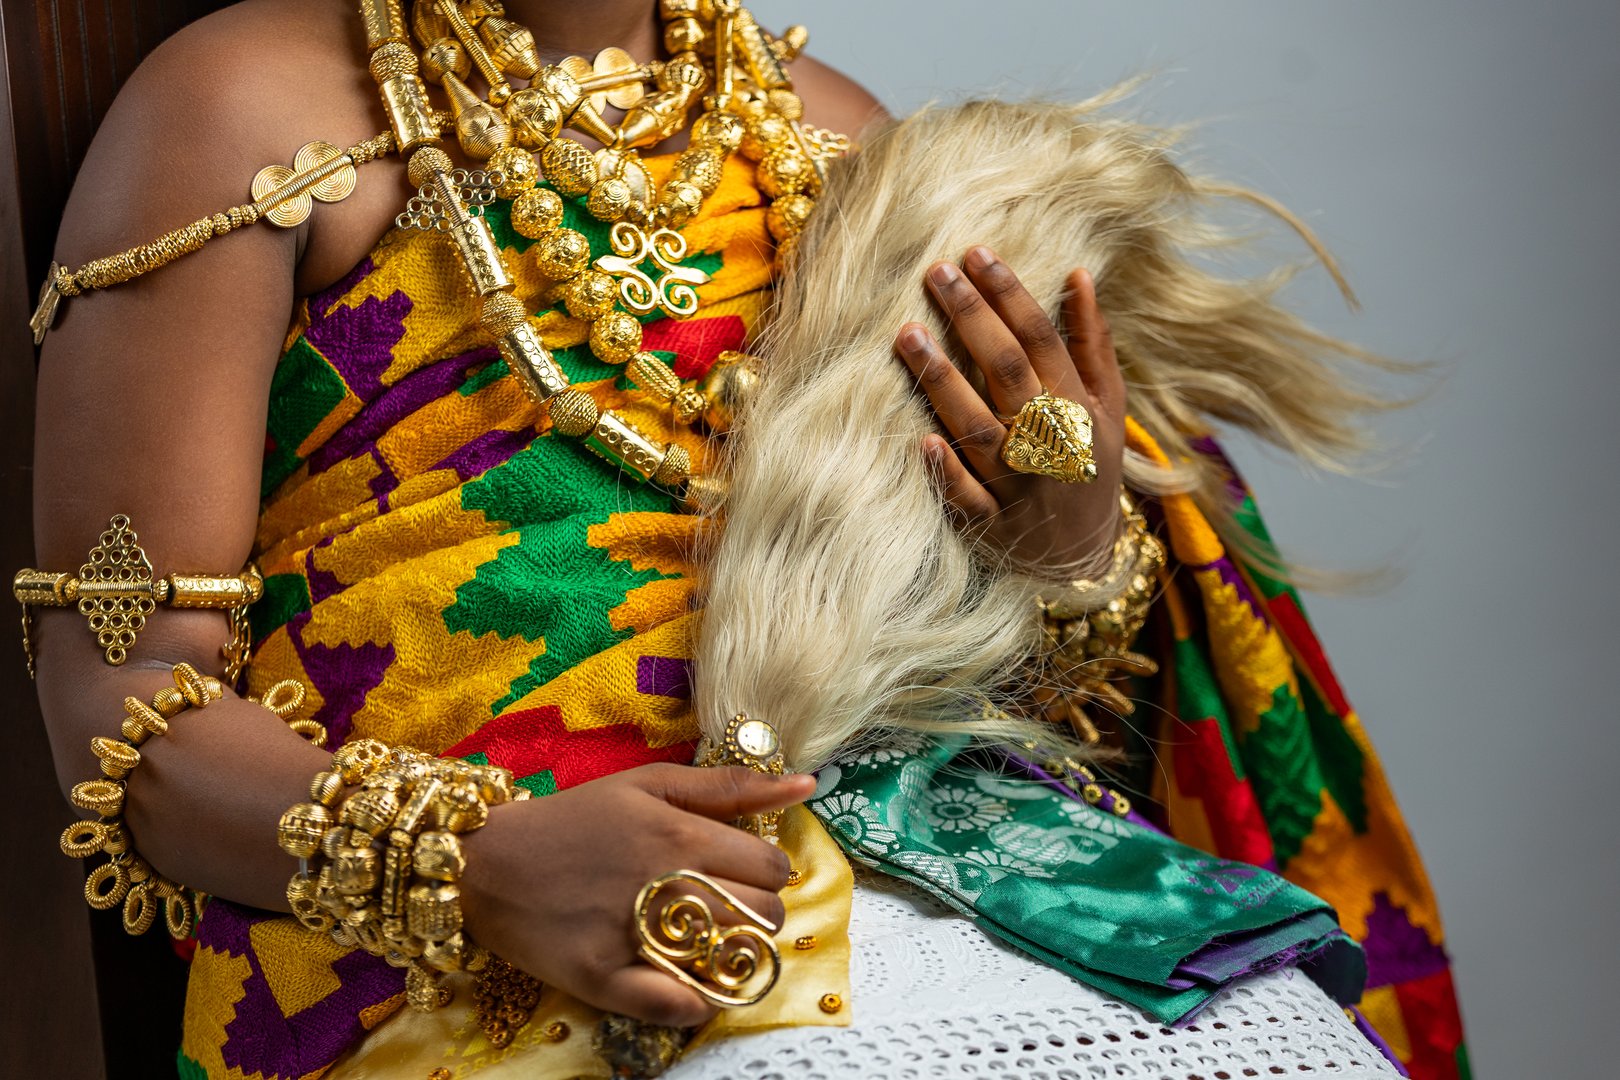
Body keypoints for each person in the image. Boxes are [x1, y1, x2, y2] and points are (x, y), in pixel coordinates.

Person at [20, 1, 1464, 1076]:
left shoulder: (841, 136)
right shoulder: (243, 107)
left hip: (941, 859)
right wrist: (488, 869)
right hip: (468, 944)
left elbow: (994, 675)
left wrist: (1066, 541)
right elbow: (122, 714)